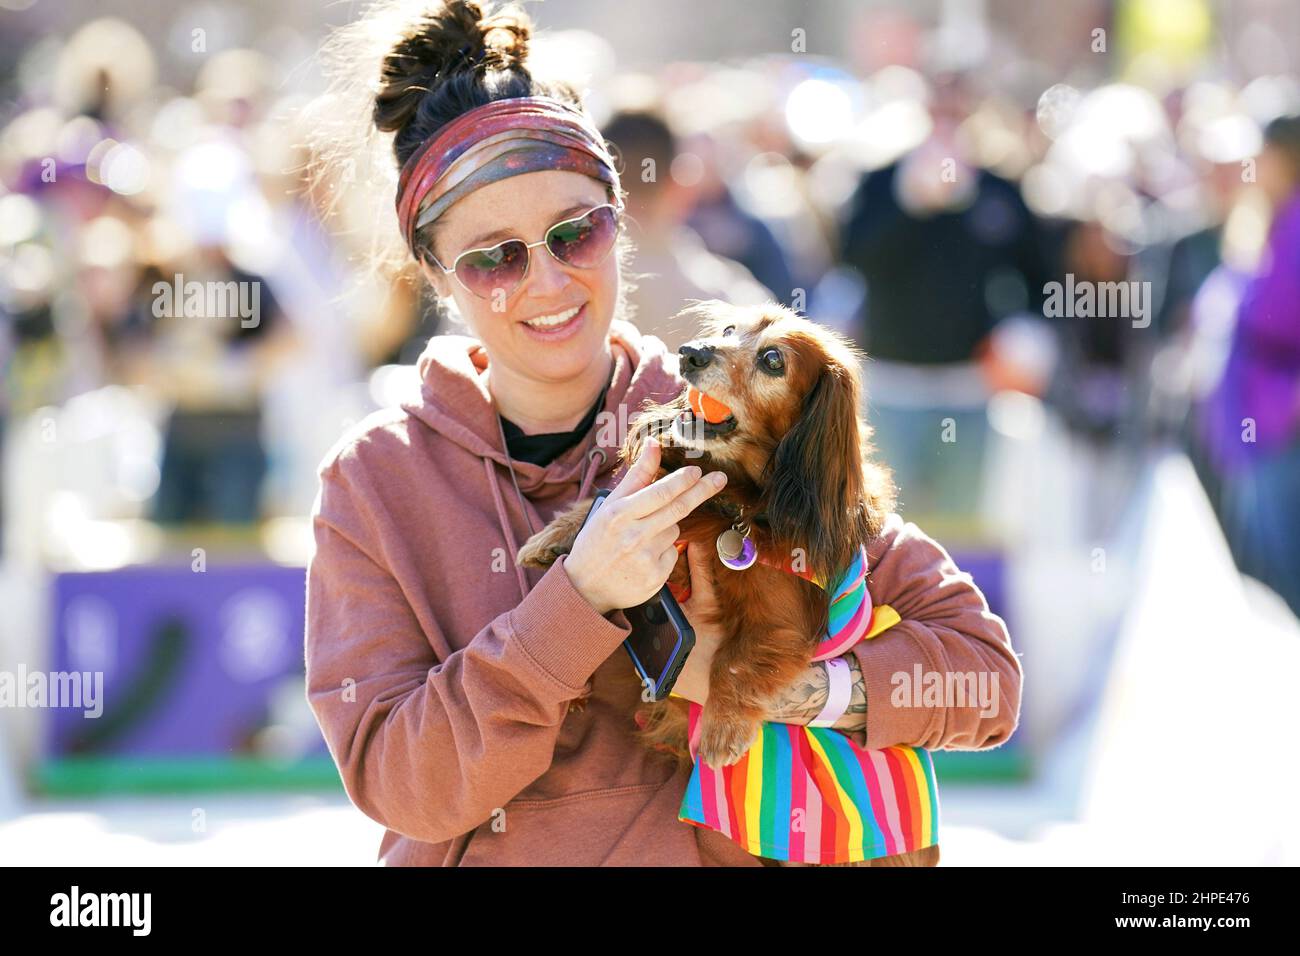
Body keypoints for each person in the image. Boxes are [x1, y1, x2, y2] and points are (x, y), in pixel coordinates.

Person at [304, 0, 1020, 866]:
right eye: (495, 256)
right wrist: (575, 603)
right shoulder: (377, 481)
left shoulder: (745, 420)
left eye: (577, 232)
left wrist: (787, 688)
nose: (548, 281)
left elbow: (986, 681)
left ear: (620, 220)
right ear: (435, 274)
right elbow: (403, 785)